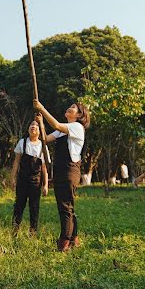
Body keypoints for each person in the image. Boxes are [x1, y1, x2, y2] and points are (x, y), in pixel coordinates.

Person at [34, 99, 90, 252]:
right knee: (67, 207)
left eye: (73, 107)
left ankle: (64, 242)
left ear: (79, 115)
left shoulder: (77, 127)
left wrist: (42, 107)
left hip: (69, 171)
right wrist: (41, 124)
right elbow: (45, 139)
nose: (69, 108)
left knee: (65, 207)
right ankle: (73, 239)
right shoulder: (62, 130)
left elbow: (57, 125)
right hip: (59, 171)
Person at [10, 120, 49, 236]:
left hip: (36, 181)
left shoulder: (43, 146)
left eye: (37, 125)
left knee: (34, 207)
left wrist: (45, 185)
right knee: (19, 205)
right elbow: (16, 162)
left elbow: (44, 168)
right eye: (31, 124)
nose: (33, 126)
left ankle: (33, 232)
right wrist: (12, 178)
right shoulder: (22, 143)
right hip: (22, 180)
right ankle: (14, 231)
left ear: (40, 131)